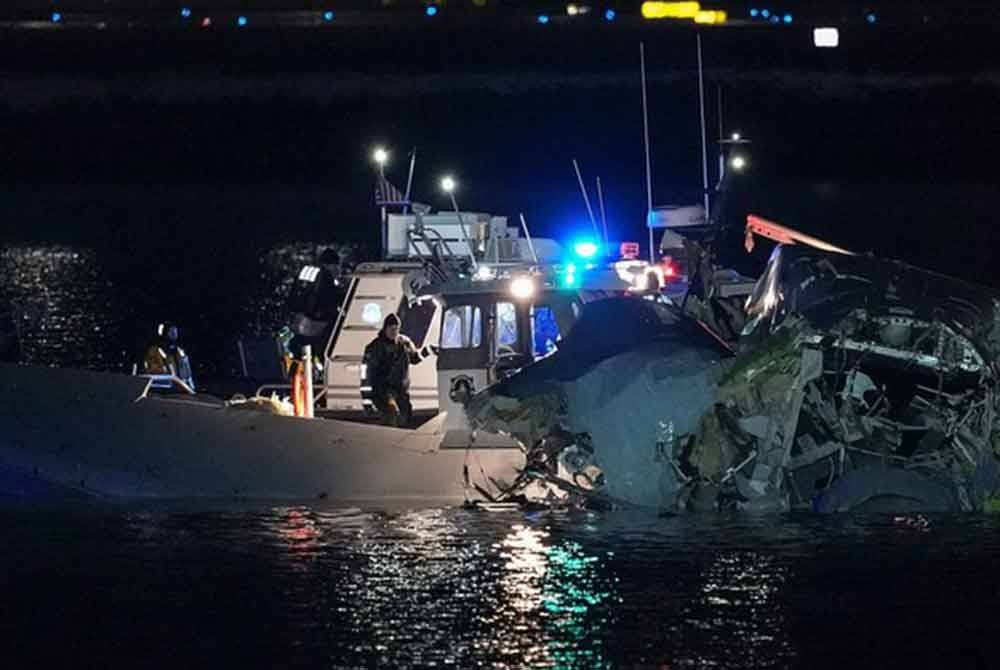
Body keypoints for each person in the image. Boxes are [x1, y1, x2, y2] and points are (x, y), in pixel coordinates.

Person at [363, 313, 429, 427]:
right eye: (391, 328)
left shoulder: (404, 343)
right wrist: (367, 401)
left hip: (401, 391)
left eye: (396, 329)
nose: (394, 332)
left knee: (406, 416)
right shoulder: (375, 348)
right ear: (385, 328)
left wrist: (428, 351)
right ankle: (388, 441)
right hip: (382, 391)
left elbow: (415, 358)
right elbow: (366, 376)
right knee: (392, 413)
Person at [144, 323, 195, 391]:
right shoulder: (154, 350)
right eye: (171, 331)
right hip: (162, 389)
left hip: (181, 389)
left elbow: (187, 372)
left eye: (175, 331)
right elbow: (152, 370)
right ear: (165, 333)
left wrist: (190, 386)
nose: (174, 334)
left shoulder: (179, 350)